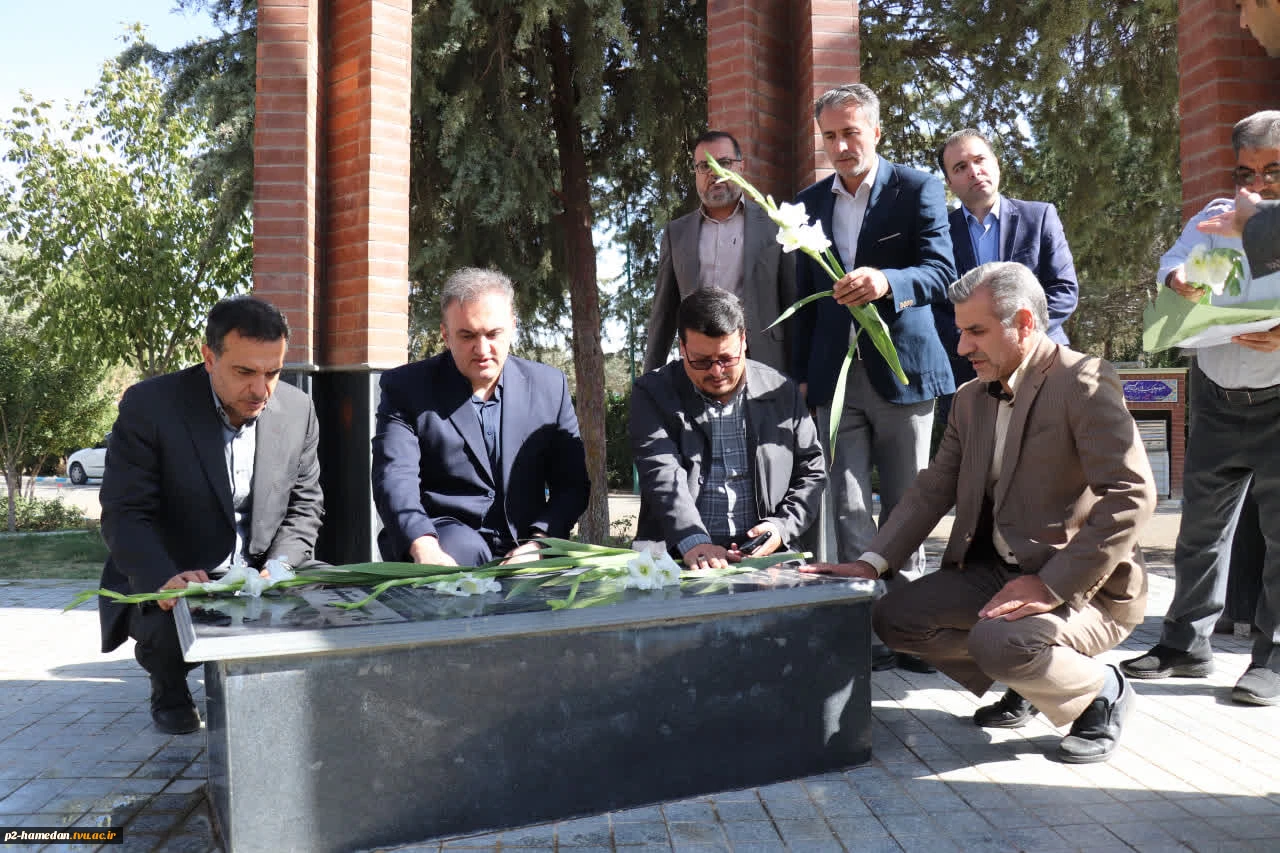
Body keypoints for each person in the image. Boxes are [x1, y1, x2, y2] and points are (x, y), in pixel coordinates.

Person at [808, 262, 1157, 764]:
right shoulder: (971, 399)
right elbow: (932, 489)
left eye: (976, 331)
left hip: (1087, 591)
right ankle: (1031, 679)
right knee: (896, 619)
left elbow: (1131, 494)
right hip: (997, 575)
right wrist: (871, 563)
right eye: (960, 332)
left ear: (1024, 323)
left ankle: (1102, 690)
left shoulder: (1082, 380)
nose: (961, 347)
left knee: (999, 642)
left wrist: (1050, 586)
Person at [98, 296, 324, 735]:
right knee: (168, 625)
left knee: (339, 600)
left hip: (264, 567)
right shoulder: (151, 406)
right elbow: (125, 512)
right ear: (209, 357)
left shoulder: (298, 410)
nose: (261, 390)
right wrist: (163, 577)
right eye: (245, 372)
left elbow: (306, 505)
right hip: (184, 572)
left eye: (273, 373)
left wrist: (279, 566)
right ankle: (168, 684)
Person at [793, 84, 956, 669]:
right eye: (830, 136)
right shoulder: (807, 203)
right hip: (834, 382)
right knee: (848, 506)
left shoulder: (917, 188)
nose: (840, 146)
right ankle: (866, 628)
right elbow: (804, 299)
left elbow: (942, 272)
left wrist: (889, 282)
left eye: (851, 133)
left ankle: (907, 627)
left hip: (903, 371)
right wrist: (802, 377)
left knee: (909, 506)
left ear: (877, 132)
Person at [1122, 112, 1280, 706]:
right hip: (1216, 397)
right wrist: (1179, 280)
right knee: (1200, 532)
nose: (1256, 185)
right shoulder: (1215, 215)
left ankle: (1272, 659)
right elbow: (1177, 259)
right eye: (1246, 172)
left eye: (1272, 172)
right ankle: (1184, 645)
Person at [372, 267, 590, 567]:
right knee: (465, 548)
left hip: (527, 551)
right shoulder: (406, 389)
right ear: (445, 334)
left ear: (513, 325)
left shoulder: (549, 387)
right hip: (444, 547)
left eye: (493, 334)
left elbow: (572, 484)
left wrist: (540, 544)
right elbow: (394, 479)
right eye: (468, 335)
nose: (483, 349)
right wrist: (424, 546)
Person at [631, 287, 825, 566]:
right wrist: (693, 540)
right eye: (701, 361)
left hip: (768, 558)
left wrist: (781, 527)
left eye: (726, 359)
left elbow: (811, 472)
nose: (716, 371)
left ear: (743, 341)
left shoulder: (781, 391)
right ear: (682, 347)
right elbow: (661, 472)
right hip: (677, 557)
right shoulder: (653, 393)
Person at [933, 128, 1079, 419]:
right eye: (960, 167)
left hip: (1040, 361)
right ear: (949, 182)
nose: (974, 171)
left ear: (996, 164)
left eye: (980, 160)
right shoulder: (939, 233)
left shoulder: (1038, 217)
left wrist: (1017, 335)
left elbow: (1064, 289)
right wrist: (977, 341)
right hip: (970, 370)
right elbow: (935, 304)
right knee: (978, 447)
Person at [643, 131, 796, 374]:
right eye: (704, 166)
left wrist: (800, 377)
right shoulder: (677, 233)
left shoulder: (774, 224)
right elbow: (663, 313)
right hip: (699, 365)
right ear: (696, 172)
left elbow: (793, 302)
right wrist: (648, 379)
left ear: (741, 167)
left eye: (723, 163)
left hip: (763, 363)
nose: (714, 173)